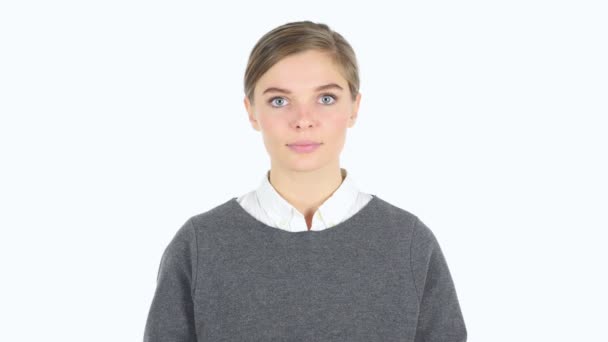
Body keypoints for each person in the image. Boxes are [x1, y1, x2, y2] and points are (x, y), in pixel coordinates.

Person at [143, 20, 467, 341]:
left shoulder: (408, 243)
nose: (303, 121)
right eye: (279, 101)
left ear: (355, 107)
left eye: (326, 98)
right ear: (252, 111)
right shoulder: (200, 246)